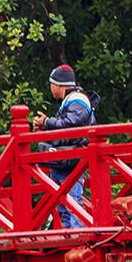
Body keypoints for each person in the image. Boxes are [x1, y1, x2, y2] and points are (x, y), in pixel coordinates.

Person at [36, 64, 93, 226]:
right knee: (63, 200)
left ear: (58, 84)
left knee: (72, 199)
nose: (50, 87)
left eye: (51, 83)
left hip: (74, 156)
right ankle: (69, 232)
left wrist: (47, 121)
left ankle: (77, 233)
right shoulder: (71, 100)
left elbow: (71, 124)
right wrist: (45, 126)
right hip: (67, 156)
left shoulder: (78, 99)